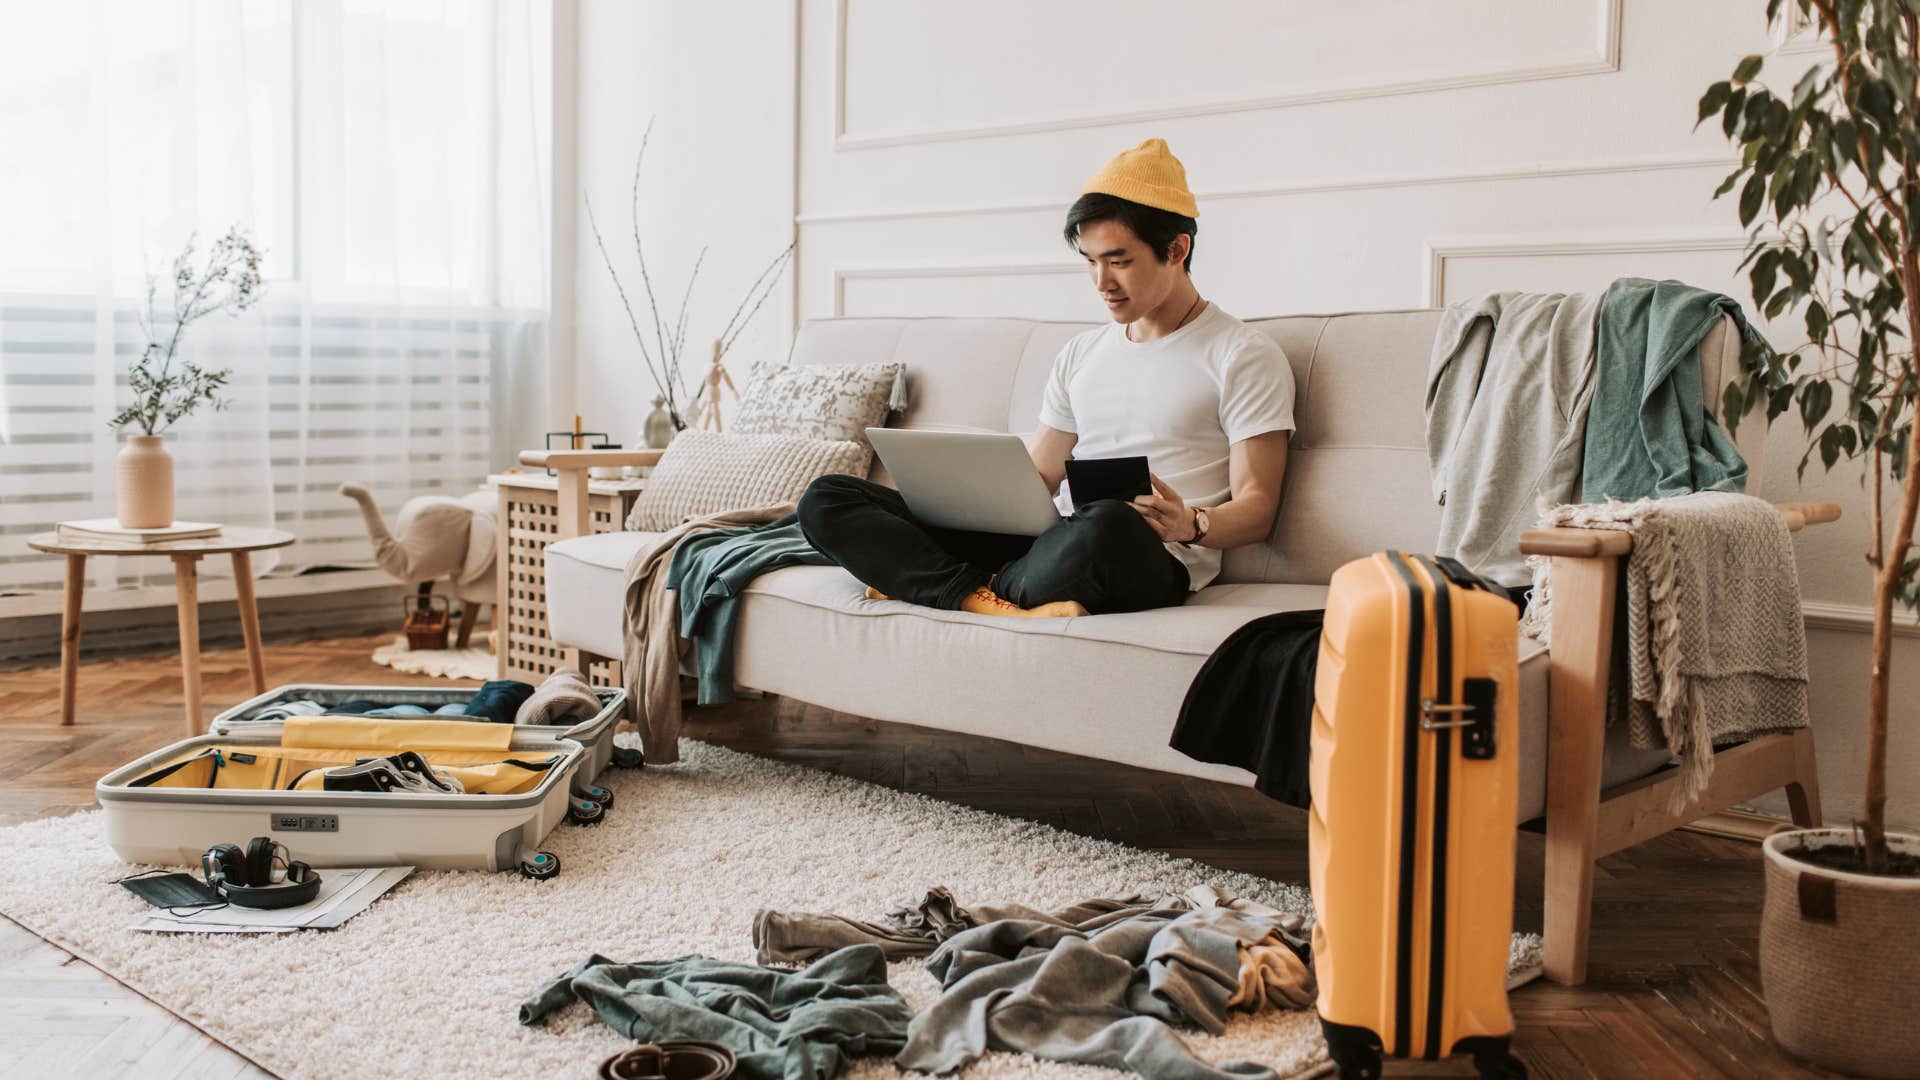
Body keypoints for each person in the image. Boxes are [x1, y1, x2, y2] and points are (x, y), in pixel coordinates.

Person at [798, 138, 1295, 618]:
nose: (1102, 283)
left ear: (1176, 249)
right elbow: (1040, 479)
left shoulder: (1242, 355)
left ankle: (937, 583)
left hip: (1142, 553)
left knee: (1109, 522)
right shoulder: (1082, 353)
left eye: (1119, 261)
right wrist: (960, 496)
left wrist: (1192, 523)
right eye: (1092, 263)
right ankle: (984, 596)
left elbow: (1257, 507)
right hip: (1048, 541)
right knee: (828, 497)